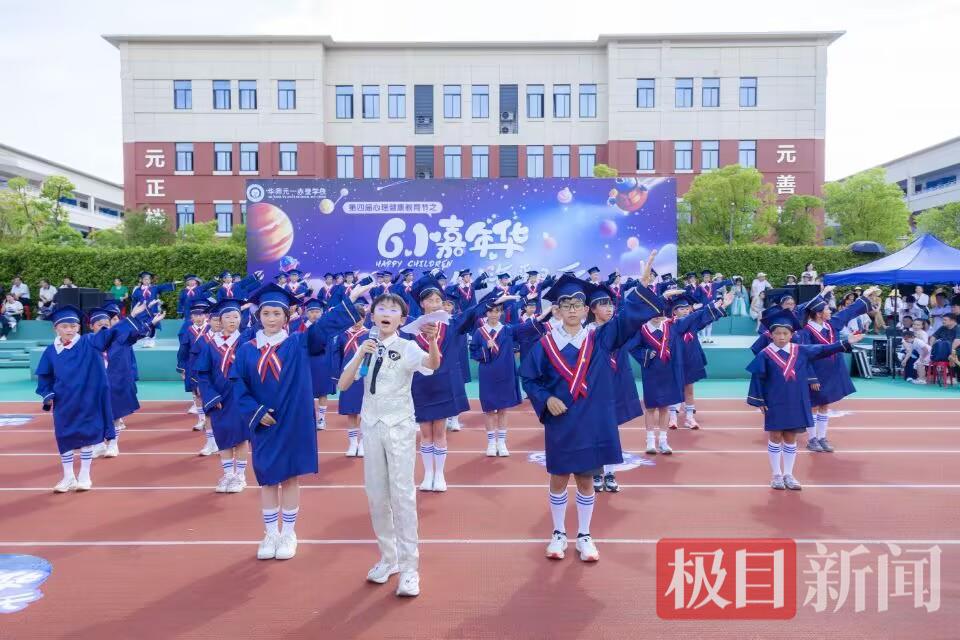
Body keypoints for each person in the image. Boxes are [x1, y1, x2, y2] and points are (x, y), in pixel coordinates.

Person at [520, 260, 664, 563]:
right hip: (561, 421)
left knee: (586, 481)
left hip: (592, 421)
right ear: (557, 310)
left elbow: (626, 319)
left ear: (587, 310)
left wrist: (642, 286)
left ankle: (584, 535)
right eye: (566, 305)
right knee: (559, 478)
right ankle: (558, 533)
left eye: (577, 304)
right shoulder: (545, 345)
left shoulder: (599, 338)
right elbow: (530, 378)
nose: (572, 309)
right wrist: (546, 399)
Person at [231, 281, 372, 562]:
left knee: (290, 477)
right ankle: (270, 533)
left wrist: (349, 300)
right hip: (264, 423)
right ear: (258, 316)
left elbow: (324, 327)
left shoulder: (298, 343)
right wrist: (255, 411)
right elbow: (238, 385)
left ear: (287, 317)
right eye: (266, 313)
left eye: (277, 314)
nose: (271, 319)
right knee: (267, 480)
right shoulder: (246, 349)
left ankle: (288, 533)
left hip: (294, 422)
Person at [336, 291, 440, 597]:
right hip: (371, 426)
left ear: (402, 319)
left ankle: (410, 568)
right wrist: (360, 353)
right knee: (376, 495)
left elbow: (432, 365)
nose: (385, 313)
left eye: (392, 310)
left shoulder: (408, 347)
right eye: (380, 308)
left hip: (399, 427)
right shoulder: (365, 345)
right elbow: (343, 384)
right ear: (372, 316)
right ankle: (388, 558)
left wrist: (433, 341)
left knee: (402, 495)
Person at [35, 302, 150, 492]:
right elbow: (45, 376)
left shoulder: (89, 342)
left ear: (79, 327)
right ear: (55, 328)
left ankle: (84, 475)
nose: (69, 330)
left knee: (87, 436)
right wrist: (47, 394)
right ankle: (68, 477)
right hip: (64, 402)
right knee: (64, 437)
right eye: (64, 326)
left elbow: (110, 333)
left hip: (88, 399)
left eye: (73, 326)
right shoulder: (51, 351)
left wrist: (131, 317)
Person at [747, 308, 865, 490]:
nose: (781, 337)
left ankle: (788, 474)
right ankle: (776, 474)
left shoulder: (800, 350)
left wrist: (845, 342)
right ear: (771, 335)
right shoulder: (765, 354)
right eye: (777, 333)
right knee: (775, 436)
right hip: (775, 402)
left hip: (797, 400)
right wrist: (759, 400)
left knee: (790, 437)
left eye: (785, 333)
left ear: (791, 334)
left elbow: (823, 349)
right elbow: (757, 378)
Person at [409, 273, 487, 493]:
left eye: (438, 300)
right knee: (425, 433)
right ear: (422, 303)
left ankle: (439, 474)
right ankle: (428, 474)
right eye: (430, 300)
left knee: (440, 432)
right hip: (420, 384)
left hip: (444, 384)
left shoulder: (451, 324)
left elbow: (472, 313)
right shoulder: (412, 328)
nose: (435, 304)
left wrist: (490, 300)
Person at [630, 289, 732, 454]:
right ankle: (650, 441)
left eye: (660, 311)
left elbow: (695, 317)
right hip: (651, 373)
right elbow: (633, 347)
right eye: (653, 311)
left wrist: (718, 307)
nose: (657, 314)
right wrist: (646, 354)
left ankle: (663, 441)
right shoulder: (641, 329)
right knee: (650, 408)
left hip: (669, 372)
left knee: (664, 408)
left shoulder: (672, 326)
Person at [801, 287, 881, 453]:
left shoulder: (831, 325)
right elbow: (804, 356)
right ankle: (812, 438)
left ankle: (822, 437)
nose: (830, 310)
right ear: (818, 314)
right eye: (827, 309)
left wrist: (864, 296)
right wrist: (811, 378)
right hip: (816, 373)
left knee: (825, 405)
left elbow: (849, 312)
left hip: (832, 371)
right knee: (813, 406)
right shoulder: (806, 332)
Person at [470, 294, 523, 457]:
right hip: (487, 374)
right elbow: (473, 353)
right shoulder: (479, 332)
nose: (494, 314)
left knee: (503, 410)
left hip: (505, 373)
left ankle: (502, 442)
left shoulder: (508, 330)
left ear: (501, 313)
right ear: (486, 313)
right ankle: (491, 443)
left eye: (497, 311)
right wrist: (485, 348)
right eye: (491, 311)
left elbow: (525, 332)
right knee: (489, 410)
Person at [331, 302, 370, 456]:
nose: (356, 321)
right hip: (348, 376)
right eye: (353, 318)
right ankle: (353, 443)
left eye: (359, 318)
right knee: (351, 411)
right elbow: (337, 356)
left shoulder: (370, 335)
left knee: (365, 411)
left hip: (365, 376)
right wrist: (337, 376)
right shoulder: (342, 335)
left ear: (364, 318)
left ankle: (364, 443)